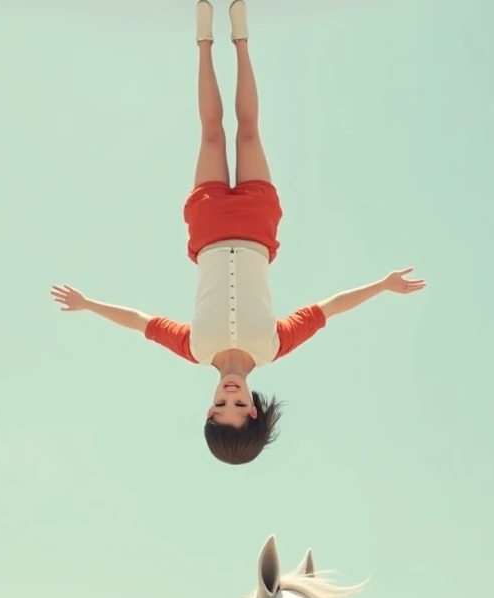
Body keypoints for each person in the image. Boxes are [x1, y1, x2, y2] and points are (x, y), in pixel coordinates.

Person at [51, 0, 426, 465]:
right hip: (255, 223)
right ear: (254, 408)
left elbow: (137, 321)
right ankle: (241, 37)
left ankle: (204, 39)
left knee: (211, 133)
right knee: (248, 132)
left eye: (220, 408)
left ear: (209, 409)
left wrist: (88, 305)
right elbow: (330, 309)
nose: (230, 397)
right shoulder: (273, 345)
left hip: (208, 226)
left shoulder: (193, 347)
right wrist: (383, 286)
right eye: (240, 407)